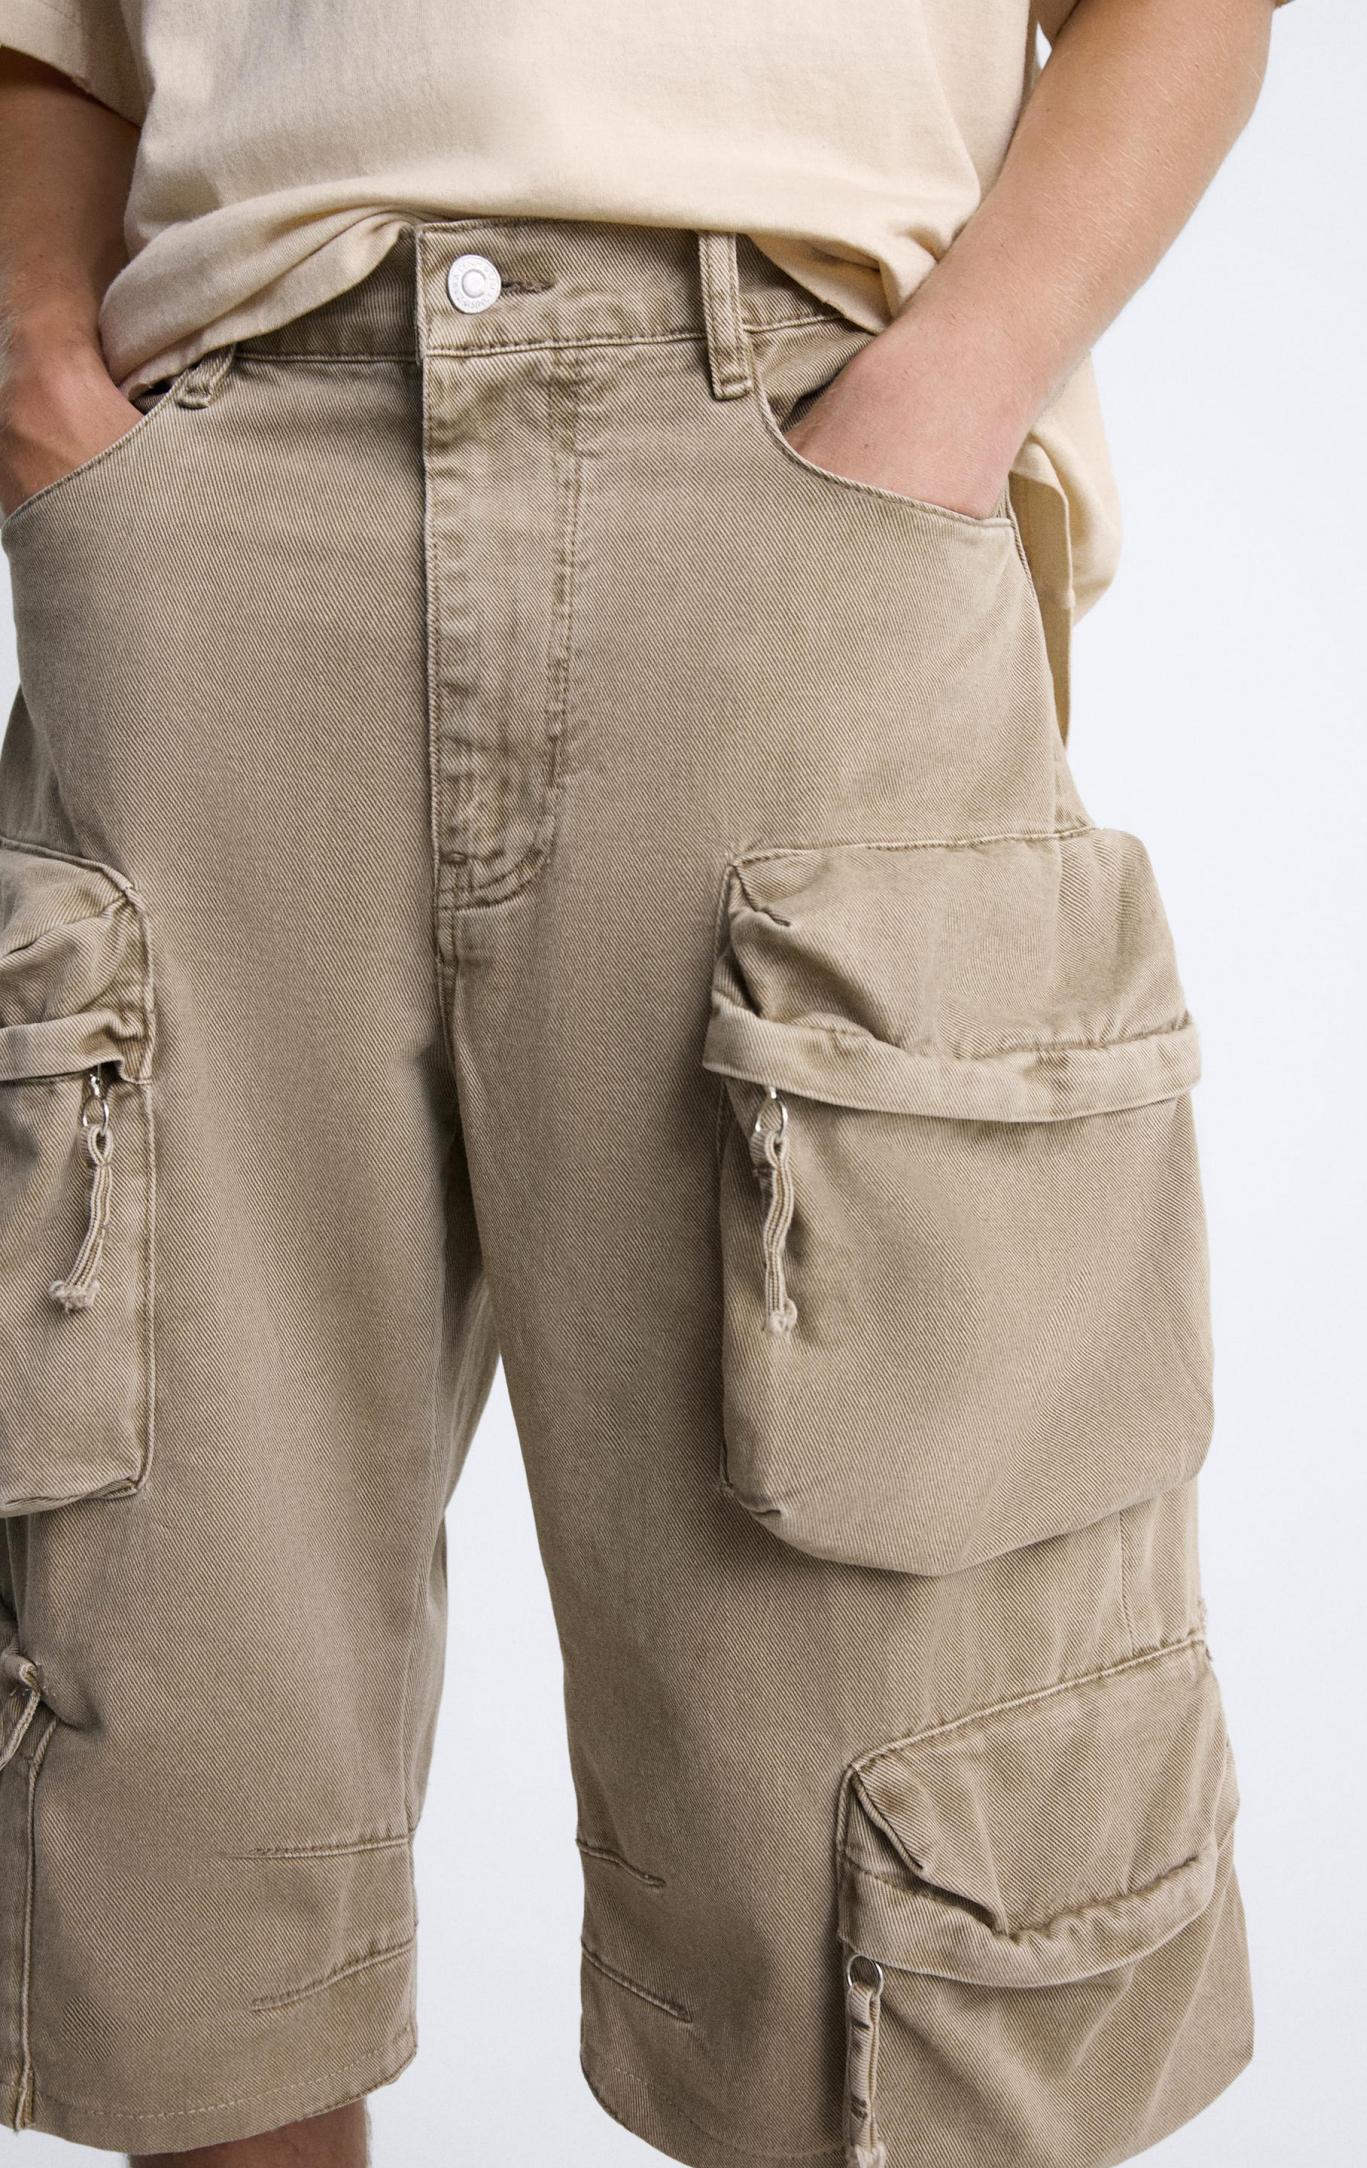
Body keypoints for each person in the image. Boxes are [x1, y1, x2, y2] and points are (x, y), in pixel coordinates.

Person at [0, 5, 1287, 2164]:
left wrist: (948, 395)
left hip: (797, 474)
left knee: (879, 1683)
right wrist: (48, 389)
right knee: (165, 1655)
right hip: (223, 504)